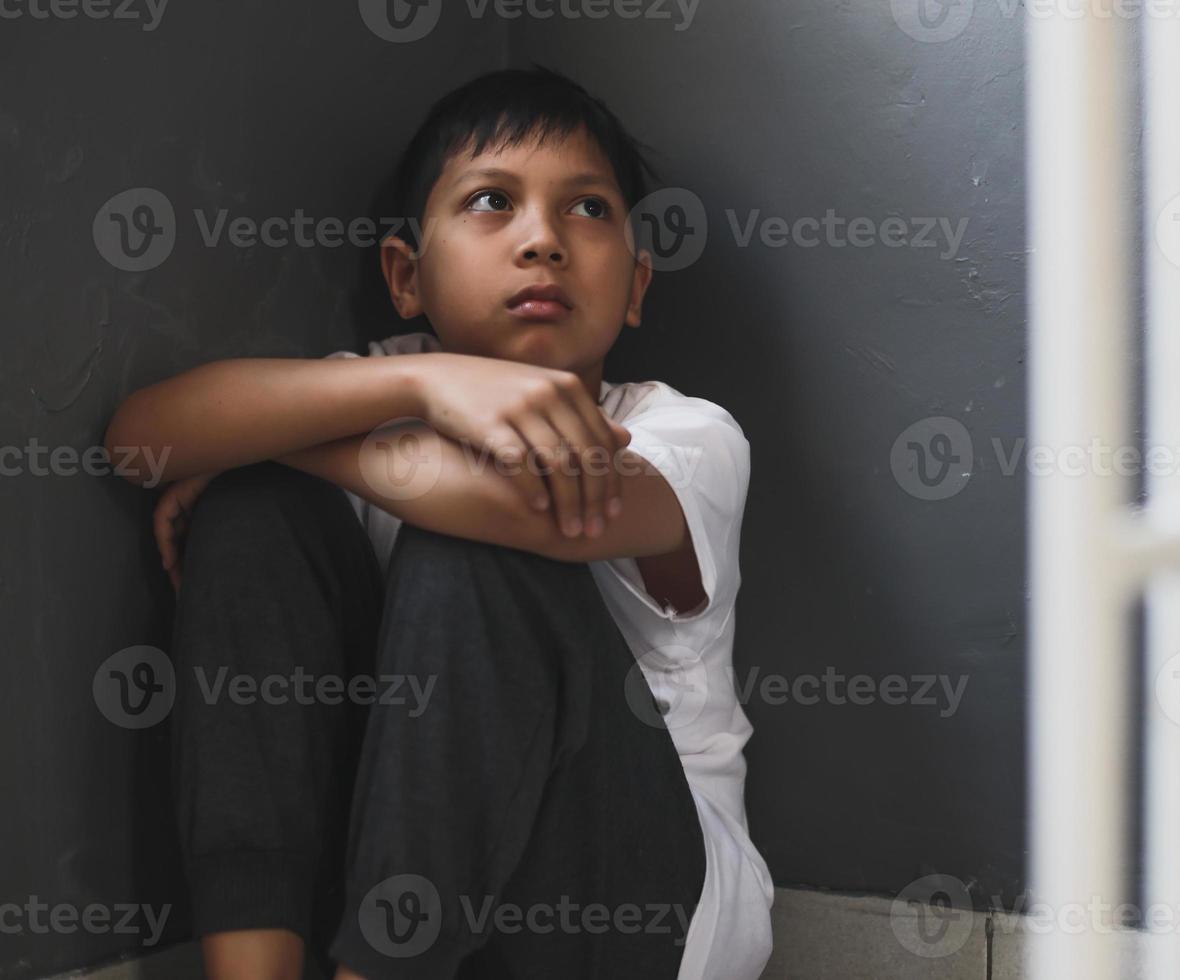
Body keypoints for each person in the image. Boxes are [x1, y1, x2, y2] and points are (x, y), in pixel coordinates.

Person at [103, 64, 773, 980]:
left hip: (632, 905)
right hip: (428, 890)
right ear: (405, 277)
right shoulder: (381, 382)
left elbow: (522, 509)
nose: (543, 240)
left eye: (588, 210)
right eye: (493, 201)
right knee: (256, 512)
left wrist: (272, 439)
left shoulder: (686, 435)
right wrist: (417, 382)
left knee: (470, 540)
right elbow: (139, 436)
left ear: (636, 287)